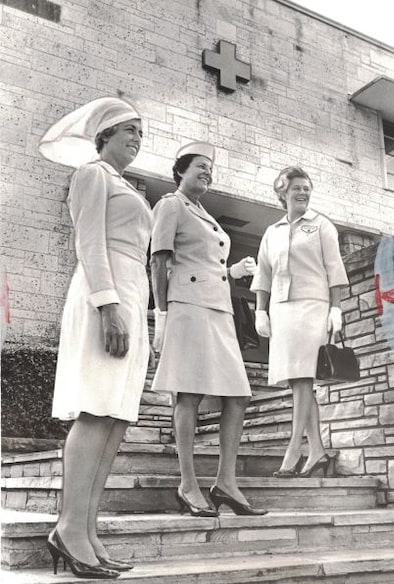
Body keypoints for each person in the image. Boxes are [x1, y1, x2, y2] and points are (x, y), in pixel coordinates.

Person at [38, 97, 153, 578]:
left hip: (132, 295)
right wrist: (108, 306)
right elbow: (88, 242)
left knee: (116, 417)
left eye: (141, 134)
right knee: (95, 410)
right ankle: (68, 527)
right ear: (103, 136)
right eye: (128, 130)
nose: (136, 139)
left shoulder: (128, 186)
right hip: (102, 295)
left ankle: (87, 529)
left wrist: (134, 311)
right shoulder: (92, 174)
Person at [150, 141, 267, 517]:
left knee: (238, 396)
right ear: (180, 171)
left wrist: (231, 272)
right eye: (200, 166)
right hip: (187, 308)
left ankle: (225, 483)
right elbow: (159, 261)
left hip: (218, 311)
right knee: (190, 394)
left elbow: (204, 262)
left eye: (211, 168)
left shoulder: (204, 213)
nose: (207, 172)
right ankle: (187, 485)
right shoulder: (171, 205)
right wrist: (161, 316)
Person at [251, 166, 349, 478]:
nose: (303, 193)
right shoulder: (272, 232)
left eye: (307, 188)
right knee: (297, 382)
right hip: (282, 311)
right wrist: (260, 311)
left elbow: (335, 270)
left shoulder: (322, 225)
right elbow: (263, 274)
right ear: (283, 193)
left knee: (304, 379)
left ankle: (294, 450)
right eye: (297, 189)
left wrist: (336, 309)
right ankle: (317, 451)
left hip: (313, 308)